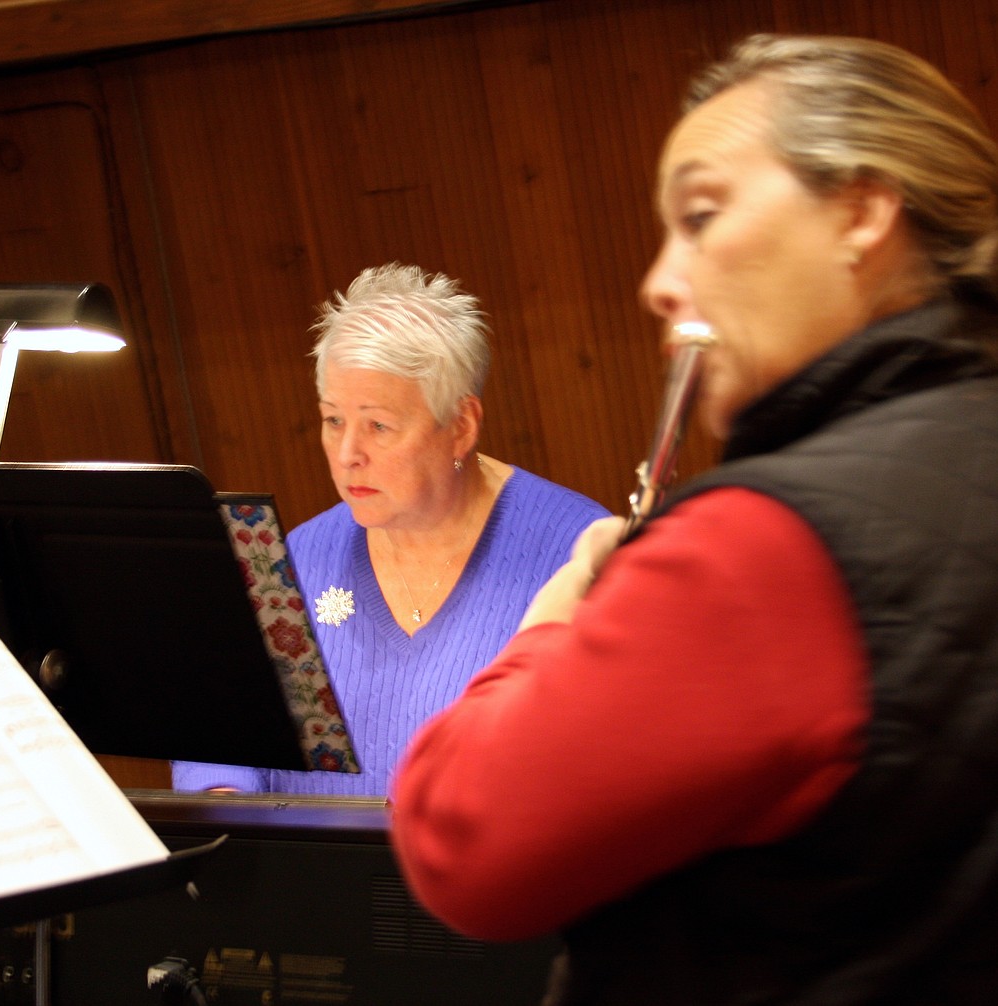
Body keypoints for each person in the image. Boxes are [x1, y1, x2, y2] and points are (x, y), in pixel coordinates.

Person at [390, 34, 998, 1005]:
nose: (660, 281)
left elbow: (461, 840)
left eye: (702, 215)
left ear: (862, 209)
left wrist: (559, 615)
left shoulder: (763, 542)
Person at [173, 263, 607, 796]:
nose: (349, 454)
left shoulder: (578, 551)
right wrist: (225, 797)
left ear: (461, 426)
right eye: (334, 420)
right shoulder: (289, 562)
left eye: (378, 425)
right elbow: (217, 736)